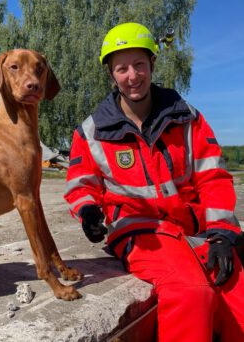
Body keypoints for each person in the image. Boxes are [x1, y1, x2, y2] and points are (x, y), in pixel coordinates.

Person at [64, 22, 244, 342]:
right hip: (139, 232)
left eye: (139, 65)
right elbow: (80, 183)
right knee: (191, 293)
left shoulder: (186, 117)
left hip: (193, 227)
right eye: (122, 68)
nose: (132, 76)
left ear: (152, 65)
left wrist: (222, 235)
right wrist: (89, 212)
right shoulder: (92, 131)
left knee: (239, 294)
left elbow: (212, 177)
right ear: (111, 74)